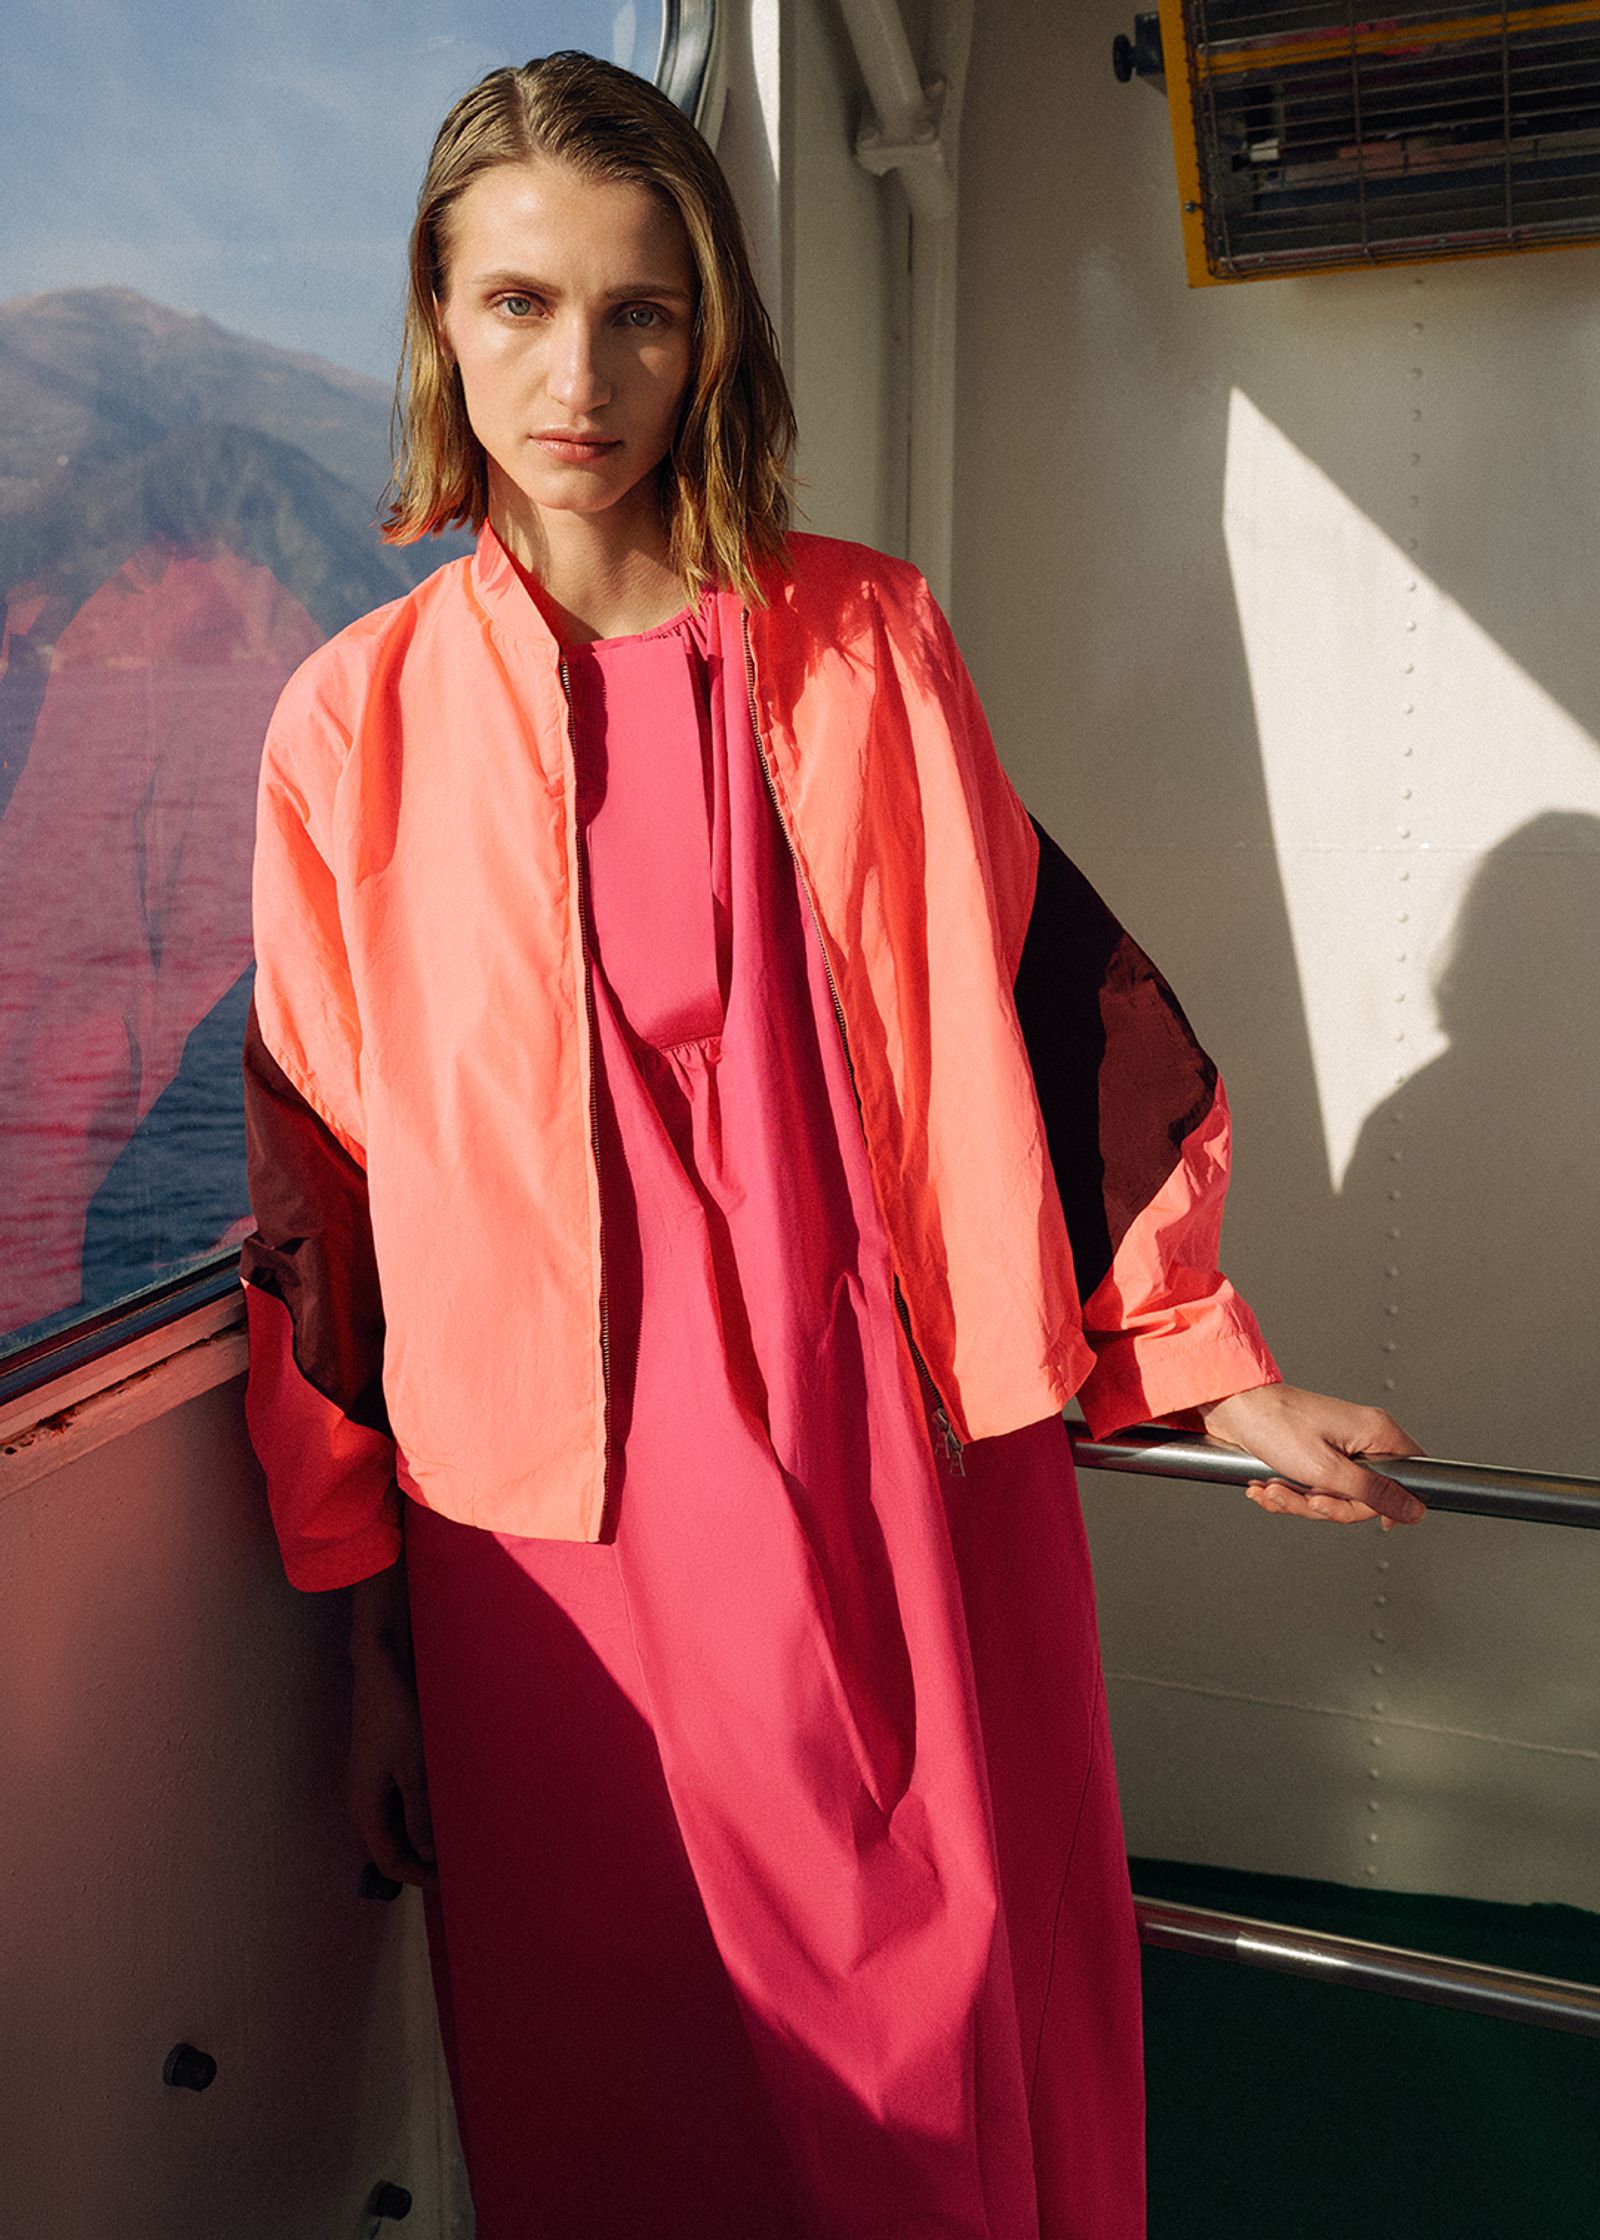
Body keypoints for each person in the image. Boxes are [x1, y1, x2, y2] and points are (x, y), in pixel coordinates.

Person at [238, 50, 1423, 2240]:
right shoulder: (349, 729)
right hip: (547, 1544)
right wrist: (364, 1634)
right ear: (435, 318)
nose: (575, 371)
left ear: (711, 331)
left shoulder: (866, 640)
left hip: (897, 1469)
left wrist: (1193, 1349)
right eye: (514, 304)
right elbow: (322, 1218)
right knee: (614, 2058)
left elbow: (1055, 1008)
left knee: (938, 2035)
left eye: (638, 307)